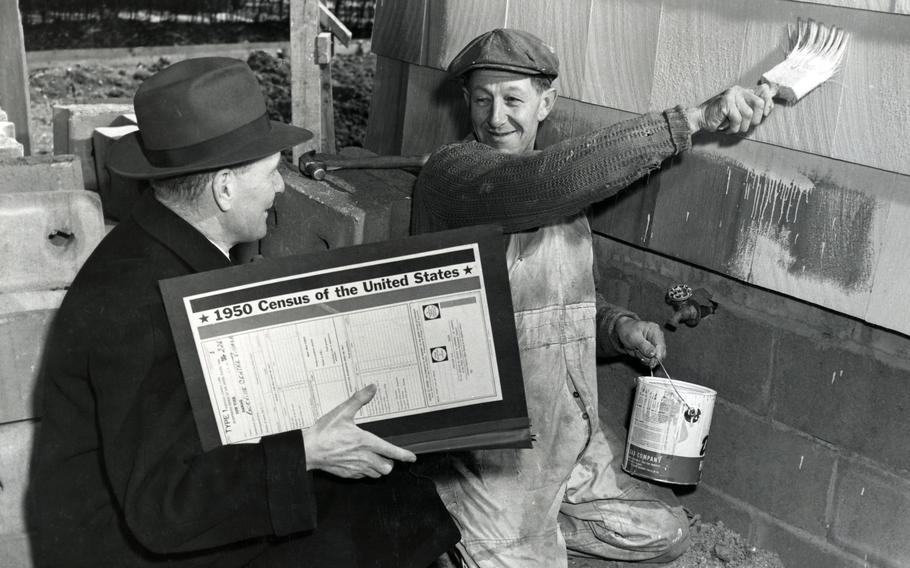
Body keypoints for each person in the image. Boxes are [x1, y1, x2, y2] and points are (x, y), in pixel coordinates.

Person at [28, 57, 459, 567]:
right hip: (128, 545)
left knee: (385, 487)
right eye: (272, 172)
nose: (280, 188)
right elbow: (165, 509)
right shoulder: (141, 304)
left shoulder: (164, 242)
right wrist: (305, 450)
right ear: (224, 188)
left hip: (159, 495)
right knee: (370, 512)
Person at [411, 29, 773, 567]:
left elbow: (562, 303)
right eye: (482, 99)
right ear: (466, 102)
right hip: (489, 451)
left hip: (567, 438)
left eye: (513, 99)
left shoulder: (564, 193)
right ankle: (472, 522)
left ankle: (536, 522)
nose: (495, 117)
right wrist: (691, 120)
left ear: (546, 103)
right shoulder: (454, 177)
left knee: (665, 532)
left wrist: (618, 328)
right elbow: (540, 184)